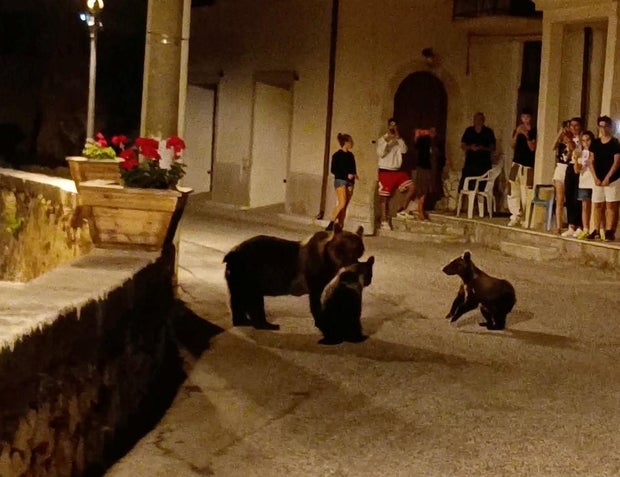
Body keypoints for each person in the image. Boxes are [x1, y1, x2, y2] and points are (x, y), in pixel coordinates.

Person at [376, 118, 415, 230]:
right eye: (391, 126)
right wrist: (387, 140)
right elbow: (380, 153)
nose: (393, 128)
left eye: (395, 126)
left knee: (412, 187)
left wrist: (398, 137)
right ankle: (384, 220)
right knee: (384, 197)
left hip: (397, 171)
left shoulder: (399, 140)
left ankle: (402, 209)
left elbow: (404, 151)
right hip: (385, 171)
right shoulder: (382, 140)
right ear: (388, 126)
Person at [588, 115, 620, 241]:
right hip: (598, 178)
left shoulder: (614, 143)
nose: (603, 129)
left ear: (610, 127)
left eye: (606, 126)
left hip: (612, 179)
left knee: (610, 205)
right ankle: (595, 229)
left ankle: (609, 230)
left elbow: (616, 162)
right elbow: (591, 161)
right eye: (601, 126)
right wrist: (595, 177)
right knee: (597, 204)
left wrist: (608, 177)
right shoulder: (595, 143)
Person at [507, 108, 537, 227]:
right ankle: (515, 214)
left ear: (531, 118)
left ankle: (526, 216)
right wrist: (517, 133)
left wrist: (525, 134)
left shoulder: (533, 131)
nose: (525, 119)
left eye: (527, 117)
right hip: (516, 163)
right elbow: (512, 145)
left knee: (526, 192)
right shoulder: (517, 129)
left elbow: (532, 148)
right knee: (513, 189)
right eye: (523, 117)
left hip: (527, 165)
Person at [326, 133, 357, 231]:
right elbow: (334, 170)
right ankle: (331, 222)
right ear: (346, 142)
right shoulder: (337, 155)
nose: (352, 143)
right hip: (340, 180)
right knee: (342, 203)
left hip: (350, 182)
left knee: (345, 205)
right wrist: (346, 174)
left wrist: (354, 175)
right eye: (350, 141)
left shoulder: (351, 155)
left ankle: (340, 225)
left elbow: (353, 168)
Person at [459, 112, 496, 192]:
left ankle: (480, 201)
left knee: (482, 186)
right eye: (476, 119)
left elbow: (492, 147)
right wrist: (470, 147)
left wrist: (483, 148)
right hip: (470, 163)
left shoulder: (488, 132)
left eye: (480, 119)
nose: (478, 121)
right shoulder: (469, 131)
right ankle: (465, 201)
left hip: (484, 164)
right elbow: (463, 145)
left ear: (483, 120)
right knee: (465, 183)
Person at [412, 129, 440, 221]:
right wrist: (419, 134)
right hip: (423, 169)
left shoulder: (434, 145)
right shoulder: (423, 143)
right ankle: (420, 210)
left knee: (426, 189)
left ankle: (421, 209)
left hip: (429, 170)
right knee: (422, 189)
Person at [574, 130, 596, 239]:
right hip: (583, 181)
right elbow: (577, 170)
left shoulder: (596, 152)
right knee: (585, 205)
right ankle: (585, 228)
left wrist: (591, 162)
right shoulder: (580, 153)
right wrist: (575, 158)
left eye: (588, 140)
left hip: (594, 181)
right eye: (583, 141)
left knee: (595, 205)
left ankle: (594, 228)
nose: (586, 143)